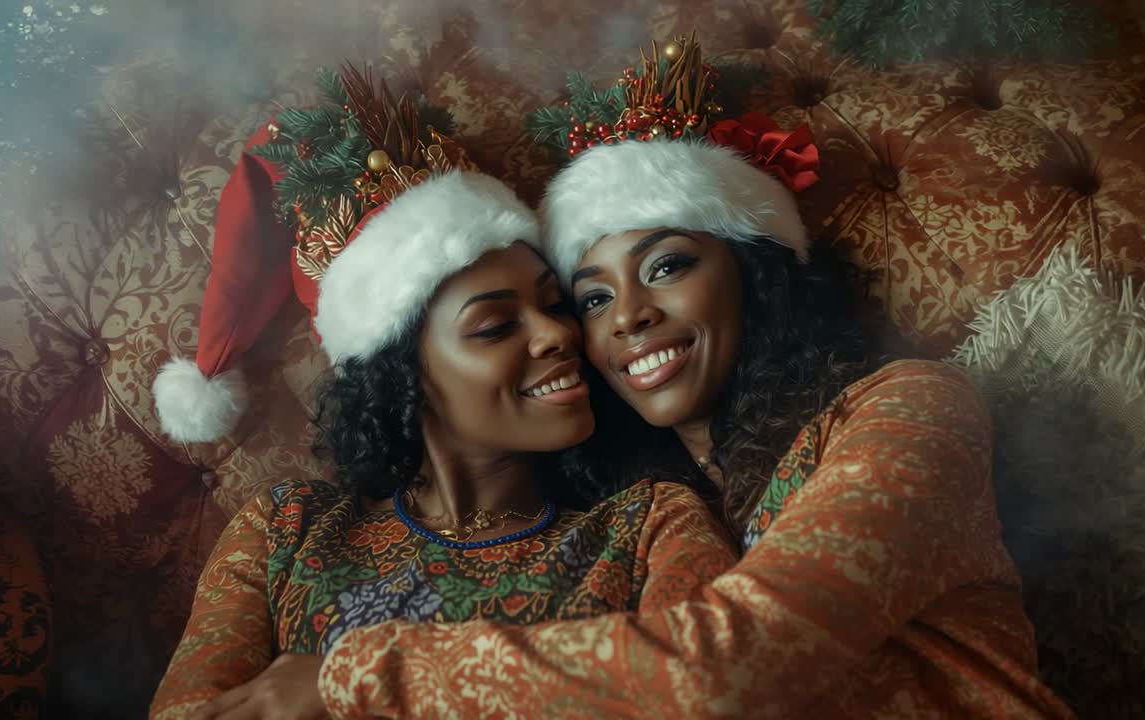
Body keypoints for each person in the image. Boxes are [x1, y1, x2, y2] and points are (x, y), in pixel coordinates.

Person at [308, 39, 1075, 719]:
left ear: (753, 273)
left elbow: (725, 670)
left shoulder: (907, 408)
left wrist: (350, 677)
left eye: (668, 267)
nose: (627, 319)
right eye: (593, 298)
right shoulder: (648, 514)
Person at [147, 68, 736, 720]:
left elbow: (709, 689)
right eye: (494, 326)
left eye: (555, 304)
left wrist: (358, 686)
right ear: (407, 378)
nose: (559, 334)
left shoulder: (648, 529)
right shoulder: (287, 533)